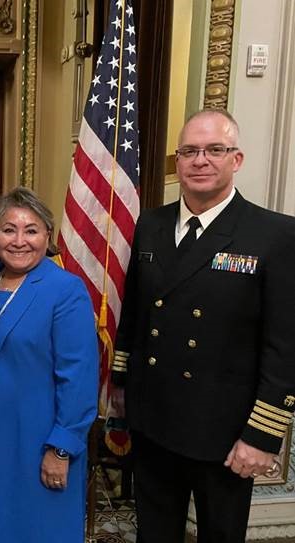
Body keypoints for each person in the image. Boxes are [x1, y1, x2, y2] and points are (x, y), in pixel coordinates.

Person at [112, 109, 295, 542]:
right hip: (153, 418)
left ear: (237, 159)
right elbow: (135, 316)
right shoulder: (151, 225)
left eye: (215, 149)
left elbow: (285, 348)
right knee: (154, 532)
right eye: (190, 151)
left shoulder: (274, 234)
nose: (200, 160)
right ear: (177, 161)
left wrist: (262, 436)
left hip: (225, 432)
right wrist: (121, 383)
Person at [0, 187, 98, 542]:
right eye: (9, 229)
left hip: (42, 437)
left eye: (31, 230)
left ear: (47, 236)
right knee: (7, 523)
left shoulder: (66, 289)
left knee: (44, 529)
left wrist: (61, 447)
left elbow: (78, 377)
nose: (19, 241)